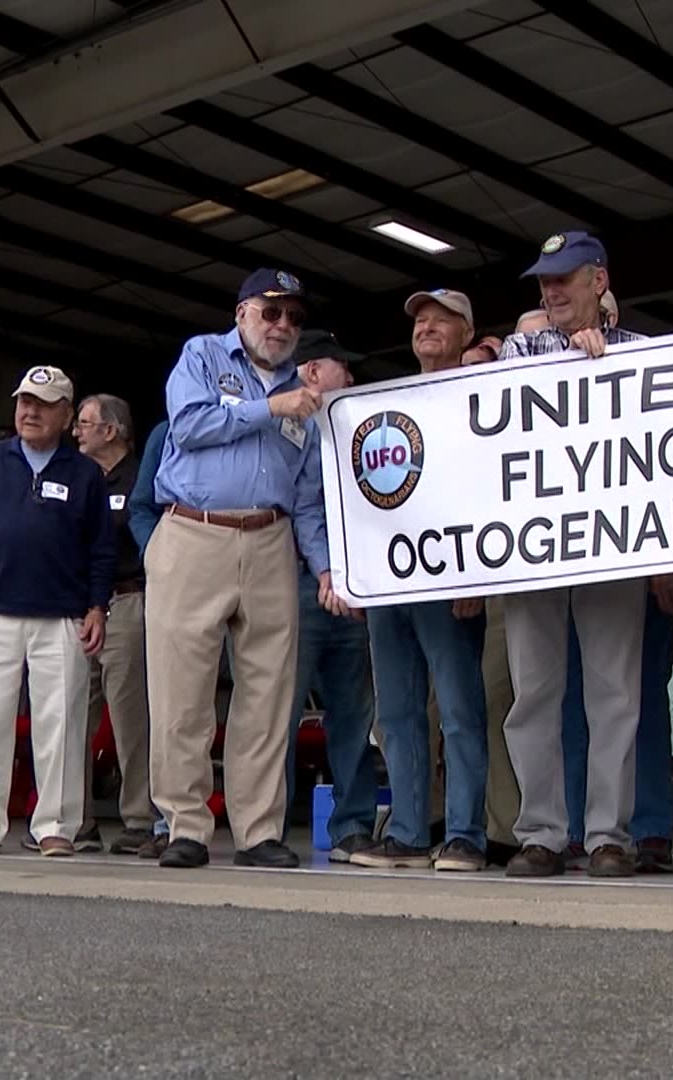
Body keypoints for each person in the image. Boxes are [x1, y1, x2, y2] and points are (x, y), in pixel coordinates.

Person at [144, 268, 346, 870]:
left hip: (270, 539)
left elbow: (308, 497)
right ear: (242, 314)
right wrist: (269, 407)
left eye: (294, 317)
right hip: (193, 530)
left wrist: (327, 569)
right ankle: (185, 825)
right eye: (272, 311)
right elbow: (190, 424)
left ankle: (258, 830)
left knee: (268, 695)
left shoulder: (303, 397)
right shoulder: (203, 356)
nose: (283, 325)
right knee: (182, 691)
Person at [495, 232, 663, 879]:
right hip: (535, 547)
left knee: (614, 693)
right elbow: (496, 407)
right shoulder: (520, 348)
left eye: (565, 277)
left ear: (600, 280)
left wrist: (603, 366)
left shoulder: (644, 355)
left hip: (612, 542)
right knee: (533, 691)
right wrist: (568, 362)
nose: (551, 289)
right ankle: (539, 832)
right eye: (545, 280)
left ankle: (607, 837)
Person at [0, 366, 113, 856]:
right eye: (23, 402)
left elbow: (100, 549)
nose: (30, 411)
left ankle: (56, 825)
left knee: (60, 725)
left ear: (66, 414)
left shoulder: (85, 475)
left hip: (62, 616)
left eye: (42, 404)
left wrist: (97, 606)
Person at [356, 295, 491, 873]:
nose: (426, 326)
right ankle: (408, 831)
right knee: (398, 712)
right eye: (417, 319)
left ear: (468, 332)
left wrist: (477, 576)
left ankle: (464, 833)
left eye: (440, 319)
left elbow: (494, 485)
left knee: (459, 710)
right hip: (390, 577)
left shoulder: (484, 400)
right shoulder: (386, 404)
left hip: (451, 574)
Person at [274, 330, 381, 865]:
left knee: (353, 712)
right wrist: (325, 571)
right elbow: (304, 507)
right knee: (278, 712)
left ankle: (353, 826)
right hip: (296, 583)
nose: (354, 379)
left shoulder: (354, 429)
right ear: (313, 373)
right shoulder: (285, 424)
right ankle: (266, 826)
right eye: (346, 367)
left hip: (350, 586)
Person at [71, 393, 156, 855]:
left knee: (129, 714)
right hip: (84, 605)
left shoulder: (143, 475)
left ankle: (139, 818)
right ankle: (76, 817)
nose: (76, 431)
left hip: (128, 598)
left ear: (111, 430)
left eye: (84, 423)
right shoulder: (80, 479)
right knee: (73, 712)